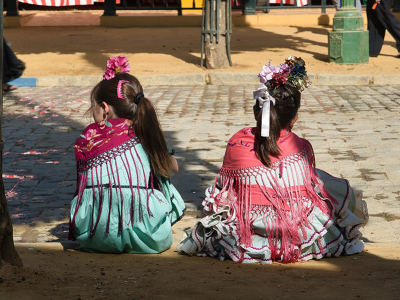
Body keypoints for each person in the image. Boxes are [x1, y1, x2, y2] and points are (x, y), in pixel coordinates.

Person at [177, 56, 369, 264]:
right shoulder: (301, 147)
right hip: (294, 229)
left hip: (245, 230)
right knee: (330, 186)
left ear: (256, 111)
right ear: (294, 117)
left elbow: (225, 191)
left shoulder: (236, 141)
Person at [69, 56, 186, 253]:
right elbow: (173, 169)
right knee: (162, 172)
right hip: (149, 238)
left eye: (93, 106)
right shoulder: (145, 133)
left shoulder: (88, 137)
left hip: (95, 236)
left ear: (105, 108)